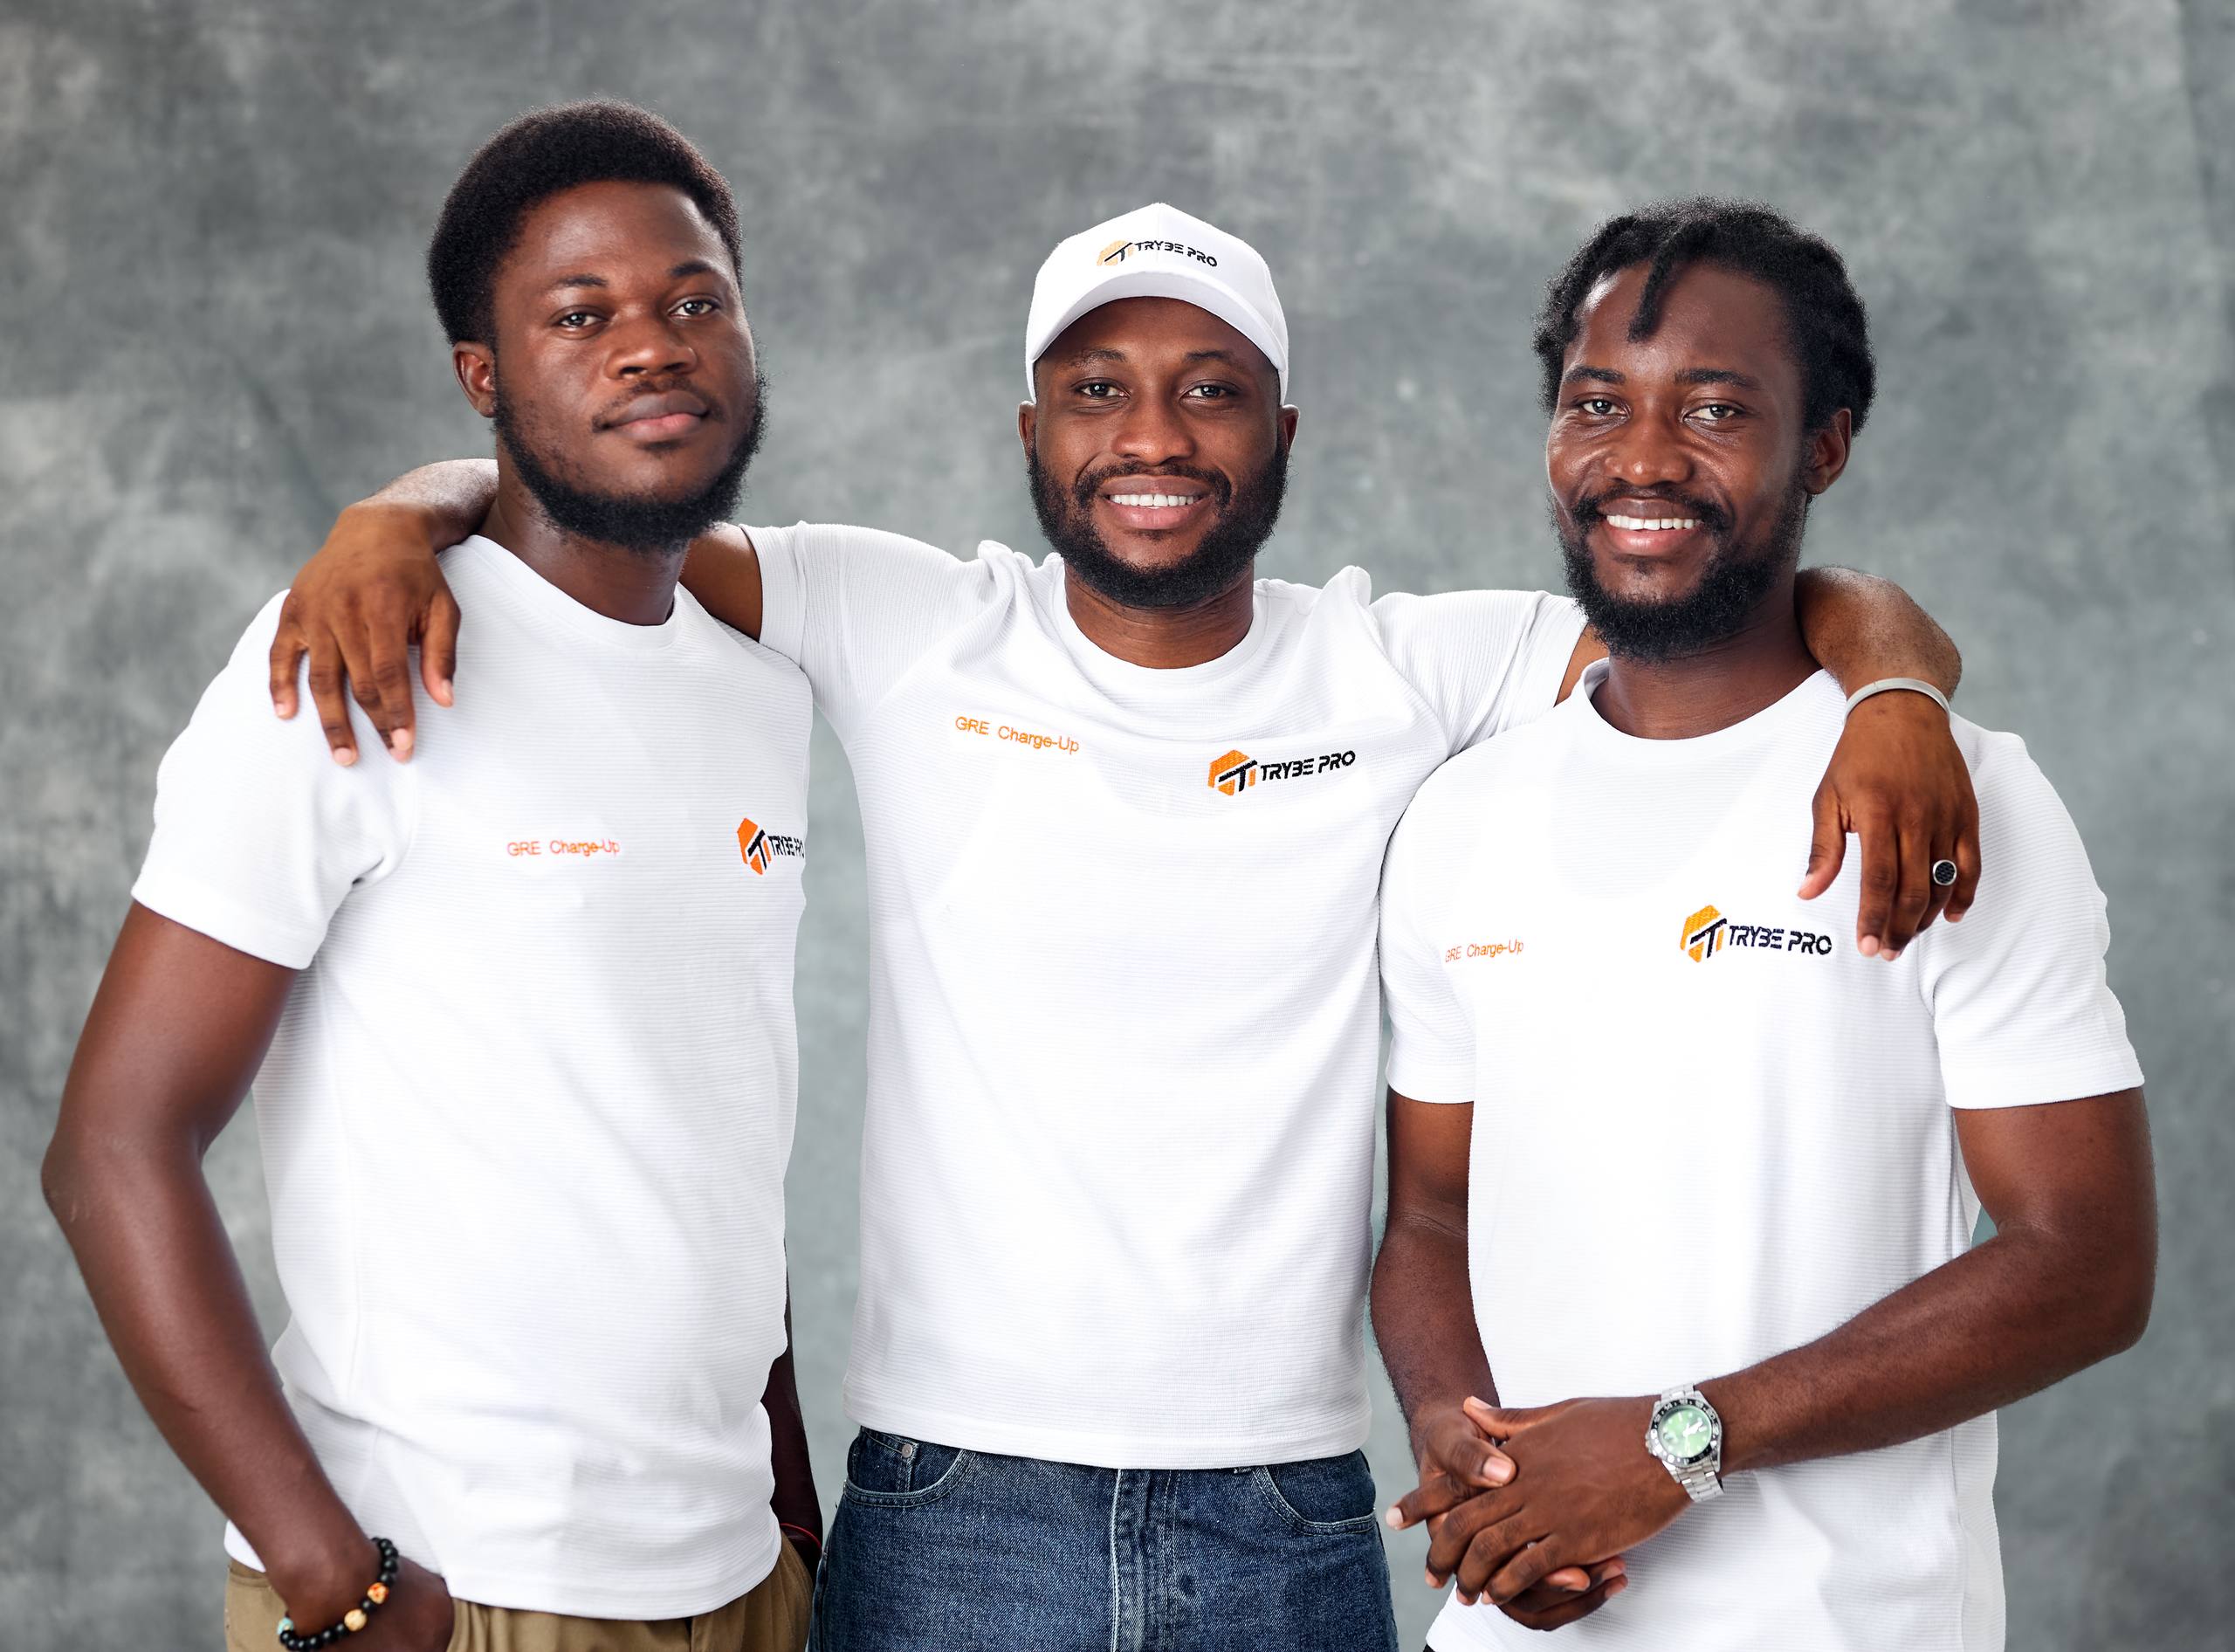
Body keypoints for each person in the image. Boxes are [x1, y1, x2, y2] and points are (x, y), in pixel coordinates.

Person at [262, 201, 1980, 1650]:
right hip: (952, 1507)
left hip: (1290, 1511)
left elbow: (1735, 596)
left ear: (1282, 434)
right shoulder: (910, 621)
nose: (1150, 435)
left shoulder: (1399, 665)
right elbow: (589, 506)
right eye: (1096, 388)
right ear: (1030, 430)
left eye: (1207, 389)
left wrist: (1893, 687)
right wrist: (398, 512)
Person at [42, 103, 821, 1652]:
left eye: (692, 300)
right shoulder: (355, 661)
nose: (651, 346)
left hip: (745, 1583)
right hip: (451, 1588)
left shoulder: (763, 682)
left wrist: (792, 1509)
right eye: (578, 315)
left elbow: (709, 1131)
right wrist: (336, 1574)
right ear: (486, 380)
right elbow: (115, 1145)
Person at [1373, 200, 2155, 1651]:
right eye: (1597, 403)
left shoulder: (1954, 799)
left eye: (1717, 409)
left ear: (1828, 446)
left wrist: (1681, 1443)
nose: (1644, 458)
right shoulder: (1460, 814)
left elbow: (2085, 1263)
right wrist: (1472, 1458)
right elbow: (1431, 1210)